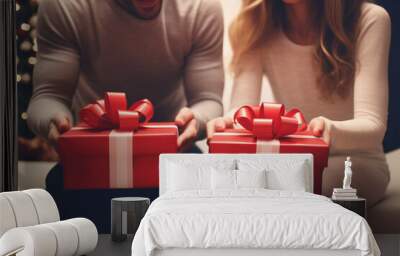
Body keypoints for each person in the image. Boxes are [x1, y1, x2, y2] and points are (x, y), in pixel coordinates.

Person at [27, 0, 224, 232]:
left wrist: (198, 120)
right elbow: (47, 96)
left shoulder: (202, 7)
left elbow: (208, 100)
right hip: (93, 161)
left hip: (175, 154)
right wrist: (54, 121)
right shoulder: (65, 5)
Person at [207, 0, 390, 207]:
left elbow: (373, 126)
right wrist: (227, 124)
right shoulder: (255, 24)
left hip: (354, 161)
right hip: (293, 162)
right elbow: (241, 111)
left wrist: (326, 132)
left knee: (278, 190)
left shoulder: (370, 18)